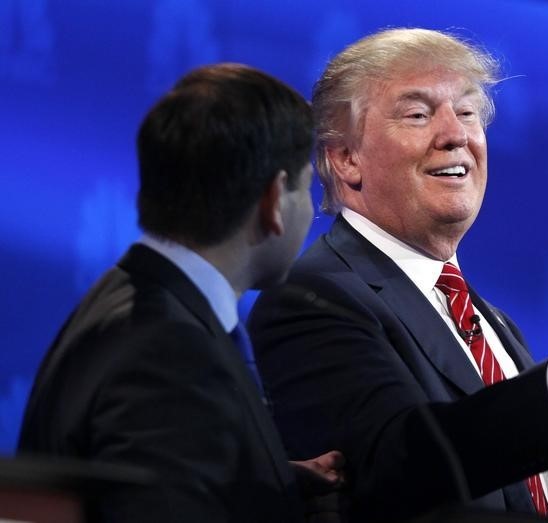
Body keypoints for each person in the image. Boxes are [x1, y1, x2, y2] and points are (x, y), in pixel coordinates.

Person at [248, 29, 548, 522]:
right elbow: (404, 467)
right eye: (418, 114)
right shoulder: (311, 298)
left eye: (468, 113)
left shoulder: (493, 323)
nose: (457, 135)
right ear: (346, 159)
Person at [17, 63, 344, 522]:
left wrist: (267, 482)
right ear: (273, 201)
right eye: (308, 188)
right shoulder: (171, 357)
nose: (312, 211)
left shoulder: (131, 297)